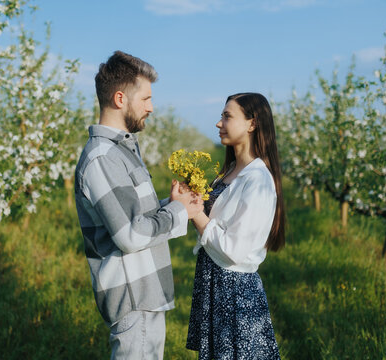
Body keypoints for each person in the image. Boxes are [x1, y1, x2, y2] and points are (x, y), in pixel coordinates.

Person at [74, 50, 204, 360]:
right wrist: (178, 212)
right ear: (120, 99)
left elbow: (133, 216)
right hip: (133, 298)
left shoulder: (122, 151)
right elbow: (131, 234)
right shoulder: (103, 158)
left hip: (145, 294)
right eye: (145, 99)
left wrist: (174, 204)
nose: (152, 107)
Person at [186, 93, 285, 359]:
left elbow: (234, 250)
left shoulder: (258, 180)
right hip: (215, 283)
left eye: (227, 116)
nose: (219, 123)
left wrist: (195, 214)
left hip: (234, 291)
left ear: (252, 124)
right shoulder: (228, 172)